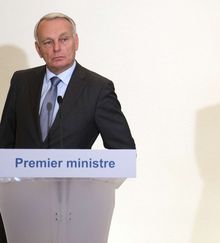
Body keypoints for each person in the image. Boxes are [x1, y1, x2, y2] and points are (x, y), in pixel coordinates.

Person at [0, 12, 135, 241]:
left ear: (76, 42)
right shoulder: (21, 82)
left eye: (64, 39)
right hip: (20, 212)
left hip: (71, 212)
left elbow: (124, 154)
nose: (56, 48)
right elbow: (3, 145)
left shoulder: (98, 89)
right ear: (38, 49)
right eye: (48, 42)